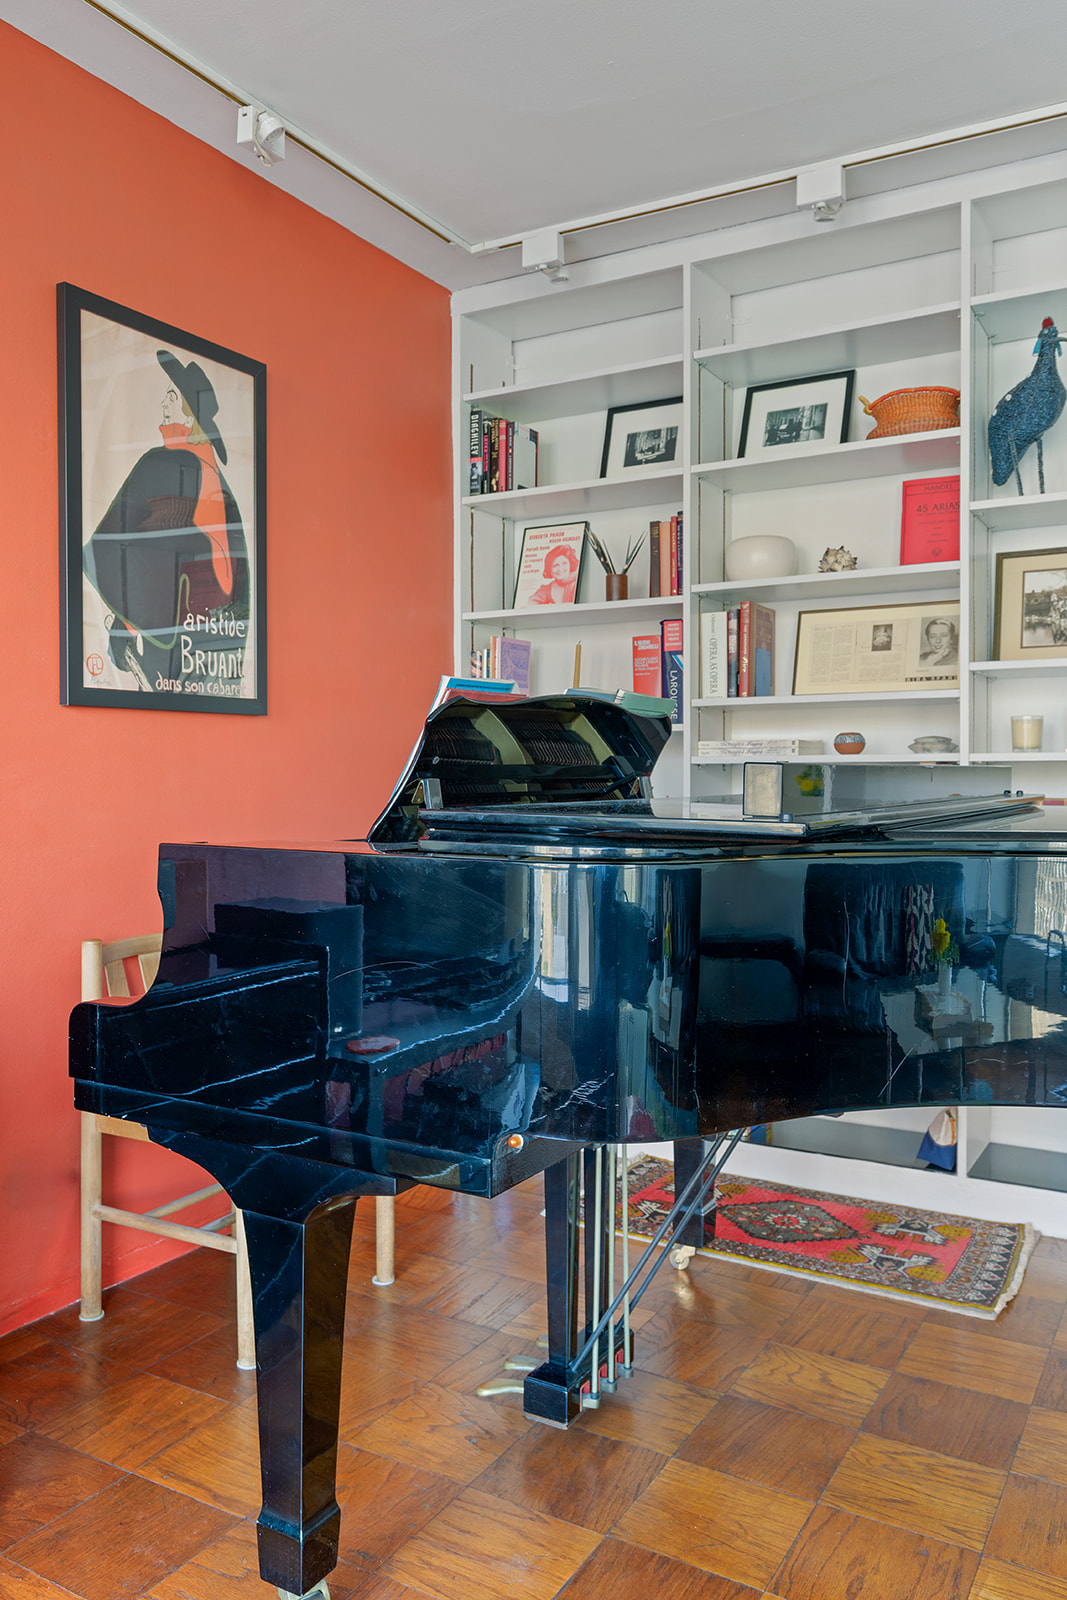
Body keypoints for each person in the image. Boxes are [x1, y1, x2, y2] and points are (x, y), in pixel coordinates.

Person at [83, 351, 249, 690]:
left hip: (173, 636)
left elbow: (114, 549)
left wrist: (127, 625)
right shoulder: (218, 481)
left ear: (188, 414)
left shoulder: (164, 464)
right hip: (216, 643)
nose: (163, 405)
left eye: (171, 397)